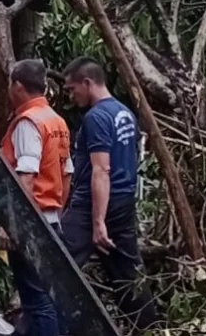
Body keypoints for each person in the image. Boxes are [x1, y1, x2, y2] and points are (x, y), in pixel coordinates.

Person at [60, 57, 157, 334]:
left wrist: (98, 221)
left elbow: (101, 169)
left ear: (87, 83)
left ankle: (37, 328)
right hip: (124, 201)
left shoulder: (96, 117)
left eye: (71, 89)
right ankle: (150, 328)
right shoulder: (124, 113)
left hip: (95, 203)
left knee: (57, 260)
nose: (70, 96)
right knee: (127, 272)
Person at [0, 59, 72, 336]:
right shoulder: (56, 121)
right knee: (52, 296)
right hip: (51, 220)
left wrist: (11, 223)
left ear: (17, 86)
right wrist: (57, 214)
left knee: (36, 301)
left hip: (30, 224)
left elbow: (26, 176)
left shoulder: (28, 122)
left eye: (9, 84)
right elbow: (66, 173)